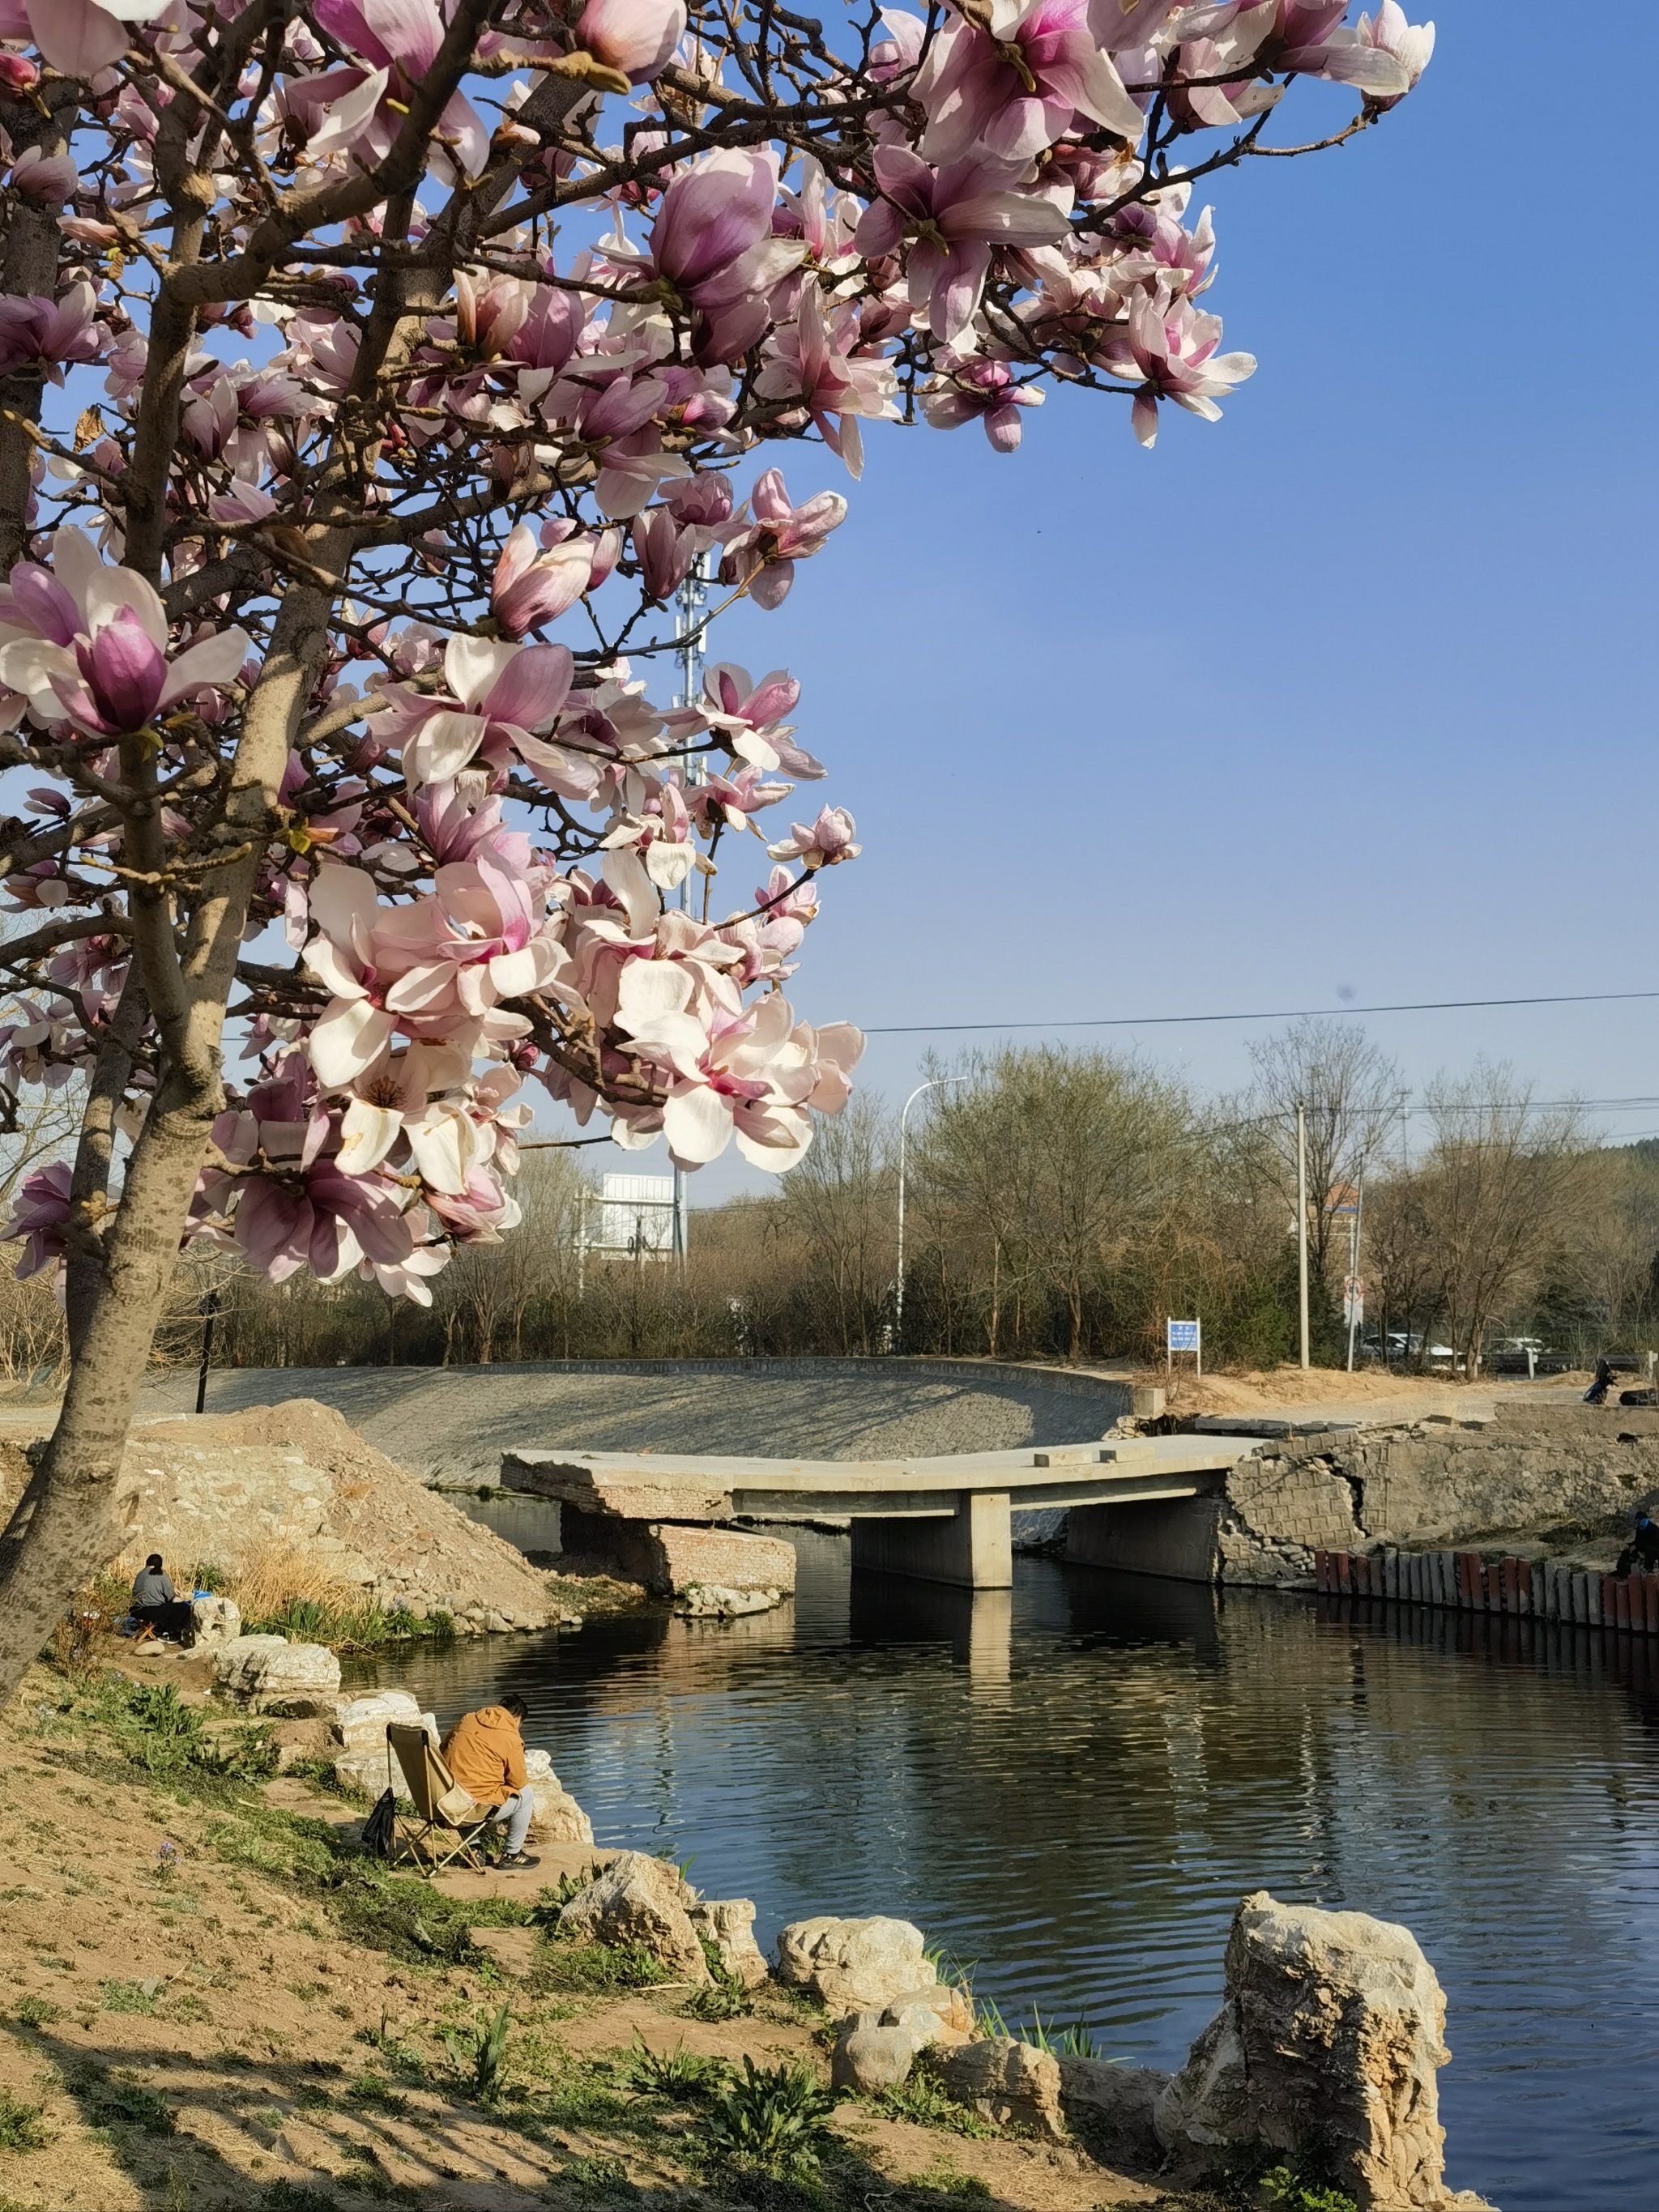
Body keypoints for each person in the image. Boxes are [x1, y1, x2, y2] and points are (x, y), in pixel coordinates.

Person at [440, 1694, 539, 1869]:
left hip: (444, 1801)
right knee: (526, 1794)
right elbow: (519, 1781)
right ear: (518, 1720)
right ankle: (512, 1854)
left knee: (464, 1785)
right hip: (473, 1809)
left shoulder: (467, 1720)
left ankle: (475, 1848)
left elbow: (443, 1748)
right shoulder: (510, 1737)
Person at [129, 1555, 196, 1647]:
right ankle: (172, 1633)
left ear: (147, 1563)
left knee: (169, 1607)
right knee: (185, 1607)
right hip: (152, 1612)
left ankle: (160, 1629)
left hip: (136, 1610)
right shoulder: (162, 1574)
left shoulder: (140, 1574)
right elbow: (170, 1596)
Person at [1615, 1513, 1659, 1579]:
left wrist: (1637, 1546)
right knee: (1626, 1550)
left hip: (1654, 1551)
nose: (1639, 1523)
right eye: (1638, 1521)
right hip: (1642, 1548)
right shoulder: (1639, 1529)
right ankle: (1621, 1571)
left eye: (1640, 1521)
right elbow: (1638, 1541)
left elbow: (1653, 1543)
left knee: (1649, 1549)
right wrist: (1629, 1545)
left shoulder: (1654, 1529)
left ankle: (1649, 1569)